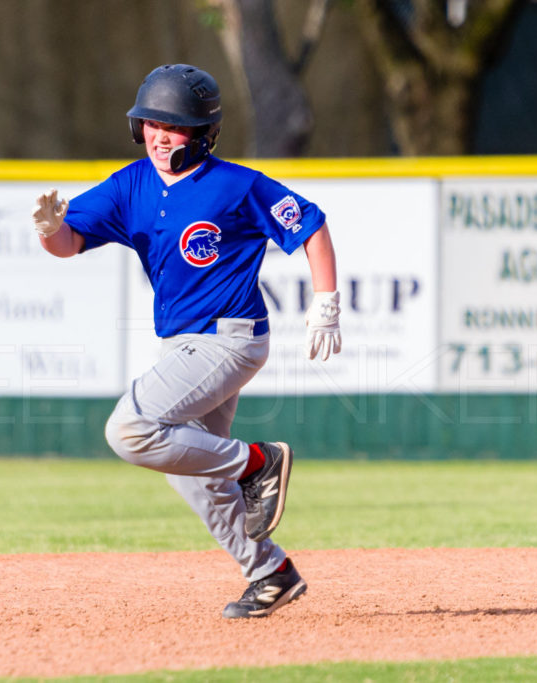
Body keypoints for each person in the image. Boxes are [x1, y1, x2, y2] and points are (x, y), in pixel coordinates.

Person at [32, 64, 341, 619]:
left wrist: (326, 304)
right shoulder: (131, 184)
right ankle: (270, 572)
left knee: (129, 429)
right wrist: (50, 230)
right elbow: (69, 242)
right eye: (150, 123)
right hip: (182, 346)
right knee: (188, 470)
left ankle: (256, 463)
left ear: (202, 134)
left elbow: (310, 226)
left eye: (171, 127)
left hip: (231, 339)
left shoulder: (236, 184)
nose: (157, 135)